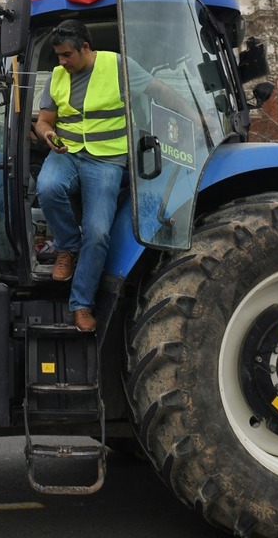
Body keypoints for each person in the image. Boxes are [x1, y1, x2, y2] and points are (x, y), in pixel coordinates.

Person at [32, 19, 198, 332]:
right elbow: (43, 121)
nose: (62, 62)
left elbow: (159, 91)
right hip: (66, 152)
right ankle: (67, 246)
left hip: (107, 159)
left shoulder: (119, 66)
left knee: (98, 233)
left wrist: (195, 118)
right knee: (48, 186)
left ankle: (81, 304)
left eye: (67, 55)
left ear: (85, 48)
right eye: (58, 56)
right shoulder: (56, 76)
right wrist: (47, 134)